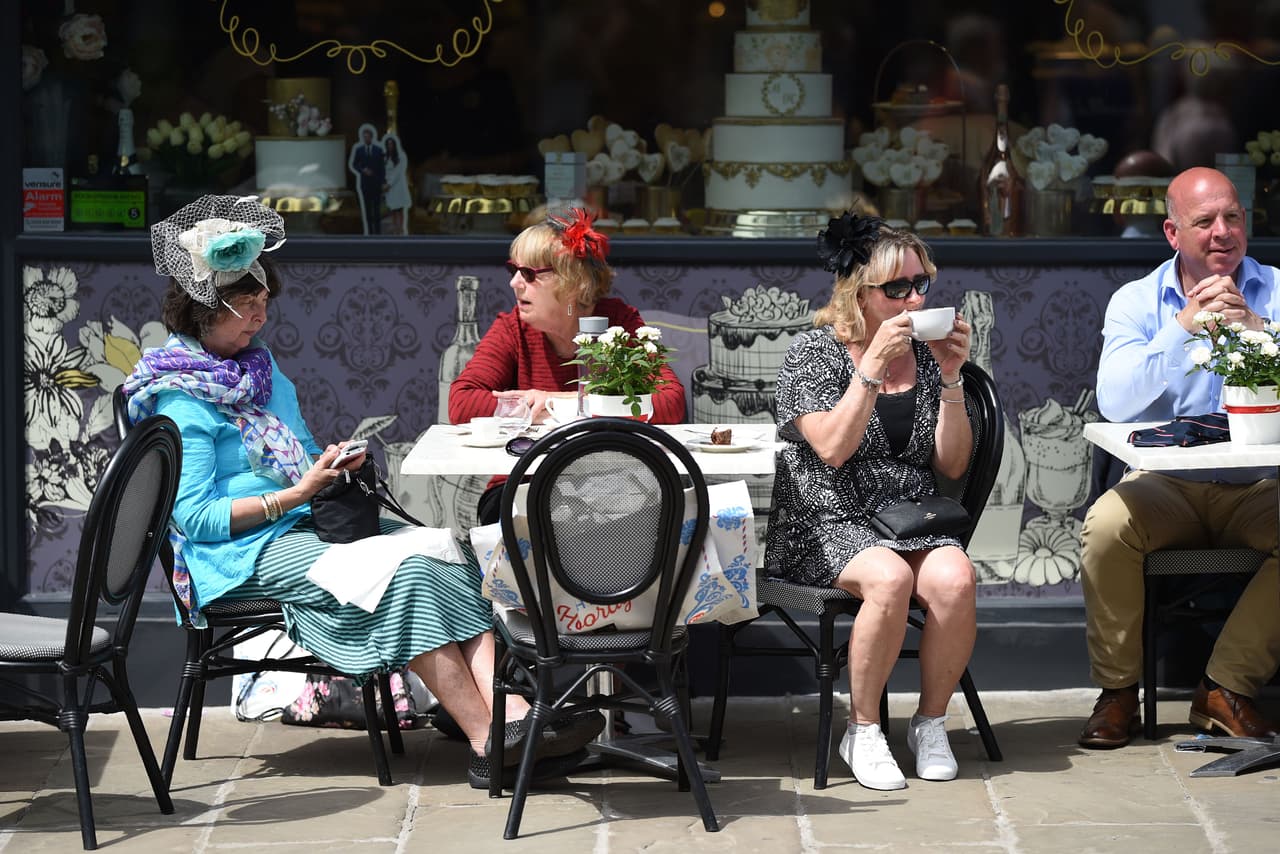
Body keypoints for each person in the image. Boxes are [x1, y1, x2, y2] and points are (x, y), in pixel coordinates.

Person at [122, 195, 601, 788]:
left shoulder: (262, 372)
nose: (259, 317)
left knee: (445, 550)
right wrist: (297, 494)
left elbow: (296, 454)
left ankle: (518, 720)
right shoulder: (180, 400)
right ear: (201, 310)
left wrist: (330, 465)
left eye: (263, 302)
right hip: (239, 553)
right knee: (406, 576)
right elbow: (194, 519)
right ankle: (487, 737)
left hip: (302, 520)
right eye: (244, 306)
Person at [765, 212, 976, 791]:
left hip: (909, 515)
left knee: (956, 577)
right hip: (825, 518)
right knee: (887, 580)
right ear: (858, 292)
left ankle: (930, 723)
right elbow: (832, 449)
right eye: (897, 288)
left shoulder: (931, 358)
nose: (913, 298)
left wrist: (954, 378)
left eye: (921, 284)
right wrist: (872, 370)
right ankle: (863, 729)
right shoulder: (813, 355)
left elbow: (952, 466)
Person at [1080, 166, 1280, 749]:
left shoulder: (1276, 289)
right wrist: (1184, 327)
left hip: (1261, 485)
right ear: (1172, 233)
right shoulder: (1136, 301)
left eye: (1233, 217)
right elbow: (1116, 403)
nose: (1223, 232)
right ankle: (1118, 692)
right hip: (1165, 486)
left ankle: (1225, 688)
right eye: (1204, 221)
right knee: (1105, 527)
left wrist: (1257, 331)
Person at [449, 208, 686, 520]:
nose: (515, 283)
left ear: (574, 283)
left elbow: (670, 402)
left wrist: (553, 401)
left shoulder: (618, 324)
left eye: (530, 274)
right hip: (523, 480)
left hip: (614, 481)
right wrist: (532, 403)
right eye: (514, 270)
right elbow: (461, 403)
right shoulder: (512, 329)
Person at [349, 124, 385, 235]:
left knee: (377, 210)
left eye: (368, 136)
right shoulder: (359, 150)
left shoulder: (378, 150)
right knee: (368, 211)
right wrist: (362, 170)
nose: (366, 138)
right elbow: (354, 164)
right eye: (364, 136)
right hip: (365, 184)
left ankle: (378, 233)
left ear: (372, 137)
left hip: (376, 183)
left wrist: (382, 182)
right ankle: (369, 233)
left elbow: (382, 168)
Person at [382, 133, 411, 236]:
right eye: (388, 144)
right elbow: (384, 170)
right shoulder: (385, 157)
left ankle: (401, 228)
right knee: (393, 209)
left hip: (398, 186)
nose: (390, 146)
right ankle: (395, 227)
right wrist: (384, 183)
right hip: (389, 188)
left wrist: (389, 184)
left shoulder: (401, 156)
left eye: (391, 144)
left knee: (400, 208)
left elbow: (399, 171)